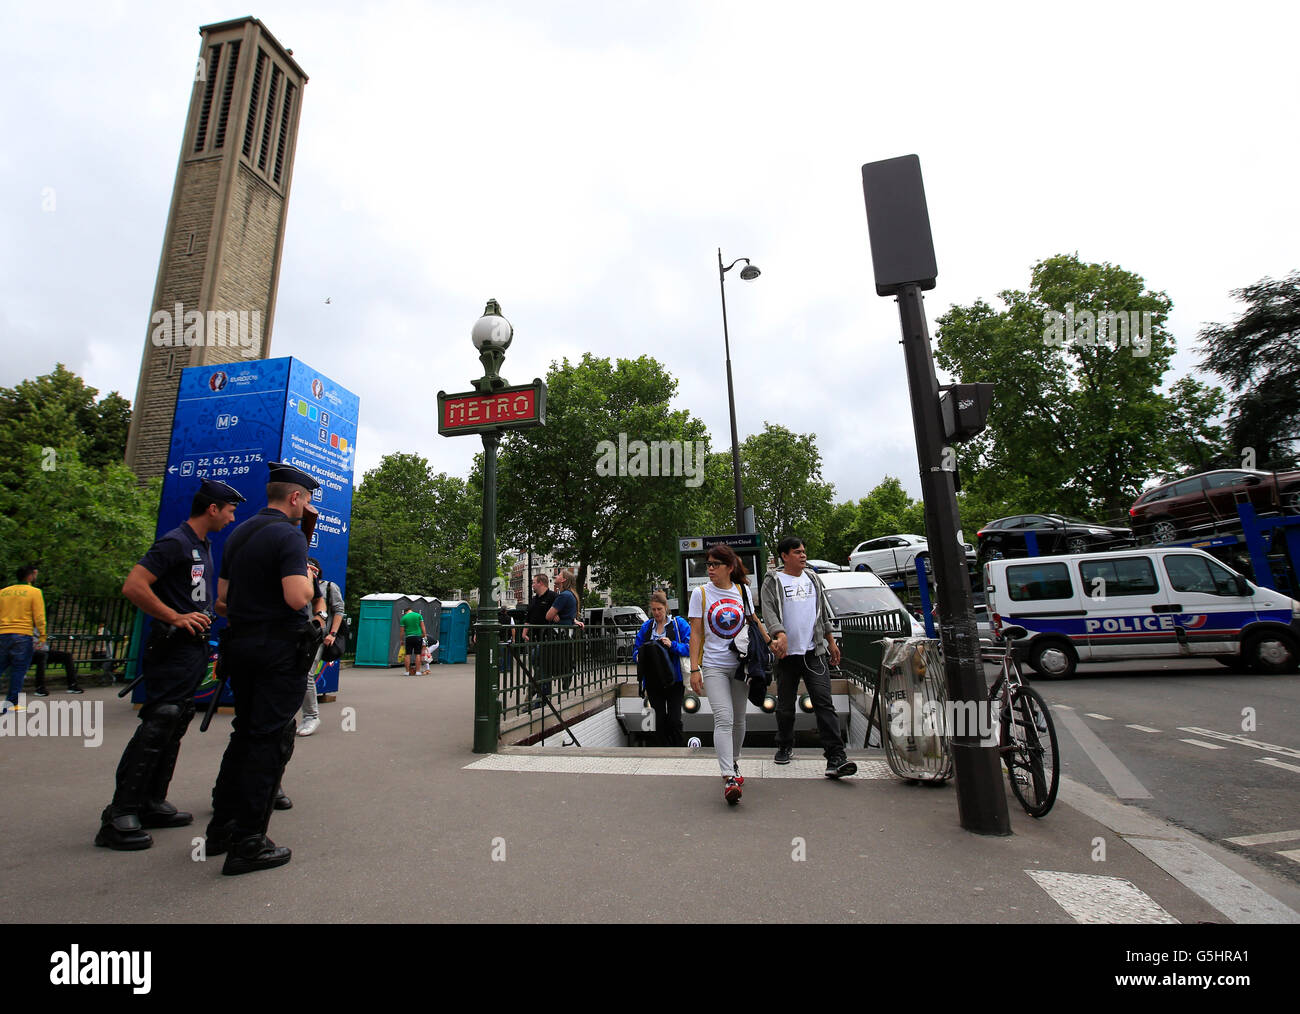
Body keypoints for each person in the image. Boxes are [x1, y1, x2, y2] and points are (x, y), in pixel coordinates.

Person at [95, 479, 245, 851]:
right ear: (212, 508)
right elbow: (134, 585)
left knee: (175, 720)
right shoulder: (175, 542)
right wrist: (175, 617)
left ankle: (151, 801)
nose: (231, 517)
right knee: (160, 718)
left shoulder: (202, 546)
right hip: (170, 649)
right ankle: (119, 813)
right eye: (229, 510)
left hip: (191, 651)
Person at [206, 462, 322, 876]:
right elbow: (296, 598)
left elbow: (222, 599)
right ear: (295, 498)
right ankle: (249, 842)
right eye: (306, 500)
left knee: (244, 734)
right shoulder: (288, 536)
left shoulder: (240, 533)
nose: (306, 507)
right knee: (268, 741)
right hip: (277, 650)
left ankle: (221, 828)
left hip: (241, 645)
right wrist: (307, 578)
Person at [760, 537, 856, 779]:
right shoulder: (772, 581)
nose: (803, 555)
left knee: (824, 703)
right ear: (784, 556)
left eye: (804, 551)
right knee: (785, 707)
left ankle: (836, 756)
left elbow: (822, 612)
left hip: (814, 653)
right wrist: (778, 634)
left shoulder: (813, 578)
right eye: (796, 552)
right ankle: (784, 744)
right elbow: (769, 611)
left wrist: (831, 641)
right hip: (787, 656)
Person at [687, 545, 754, 804]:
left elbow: (753, 623)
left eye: (716, 564)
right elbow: (696, 633)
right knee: (723, 717)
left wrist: (773, 641)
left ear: (730, 567)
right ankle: (729, 776)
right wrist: (695, 668)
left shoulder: (743, 591)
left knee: (739, 719)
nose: (711, 569)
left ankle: (734, 762)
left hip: (740, 664)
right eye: (708, 564)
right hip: (713, 665)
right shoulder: (700, 593)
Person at [632, 591, 689, 746]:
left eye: (659, 609)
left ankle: (678, 748)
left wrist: (673, 645)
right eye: (654, 610)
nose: (656, 613)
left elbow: (691, 647)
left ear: (666, 608)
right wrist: (638, 656)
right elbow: (636, 649)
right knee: (659, 719)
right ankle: (663, 750)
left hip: (674, 679)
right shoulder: (647, 626)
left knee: (674, 718)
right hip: (653, 680)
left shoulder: (679, 624)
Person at [297, 557, 344, 737]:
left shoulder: (328, 587)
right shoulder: (295, 586)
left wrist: (332, 633)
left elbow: (339, 610)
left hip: (318, 638)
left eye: (313, 570)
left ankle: (311, 716)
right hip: (294, 636)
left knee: (306, 673)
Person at [1, 564, 45, 715]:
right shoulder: (34, 592)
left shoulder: (3, 592)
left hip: (3, 633)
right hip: (22, 634)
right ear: (30, 575)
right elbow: (39, 616)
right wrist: (42, 635)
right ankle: (11, 704)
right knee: (18, 670)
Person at [546, 569, 583, 691]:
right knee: (564, 656)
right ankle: (567, 674)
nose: (557, 576)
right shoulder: (571, 595)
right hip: (567, 632)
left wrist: (554, 613)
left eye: (559, 575)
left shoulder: (564, 595)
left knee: (545, 660)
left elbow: (548, 616)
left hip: (559, 632)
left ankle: (566, 675)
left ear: (563, 580)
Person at [522, 573, 555, 708]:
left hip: (547, 639)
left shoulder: (553, 597)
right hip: (535, 639)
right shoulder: (534, 600)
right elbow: (529, 618)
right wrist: (524, 633)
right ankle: (541, 698)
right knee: (540, 668)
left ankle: (534, 697)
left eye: (534, 582)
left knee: (541, 668)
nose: (532, 585)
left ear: (541, 583)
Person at [399, 606, 426, 677]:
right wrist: (424, 634)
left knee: (407, 654)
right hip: (418, 637)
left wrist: (401, 640)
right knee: (417, 654)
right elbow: (423, 626)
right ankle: (417, 672)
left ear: (405, 612)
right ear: (411, 610)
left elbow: (401, 631)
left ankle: (407, 672)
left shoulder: (403, 618)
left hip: (409, 637)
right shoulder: (418, 615)